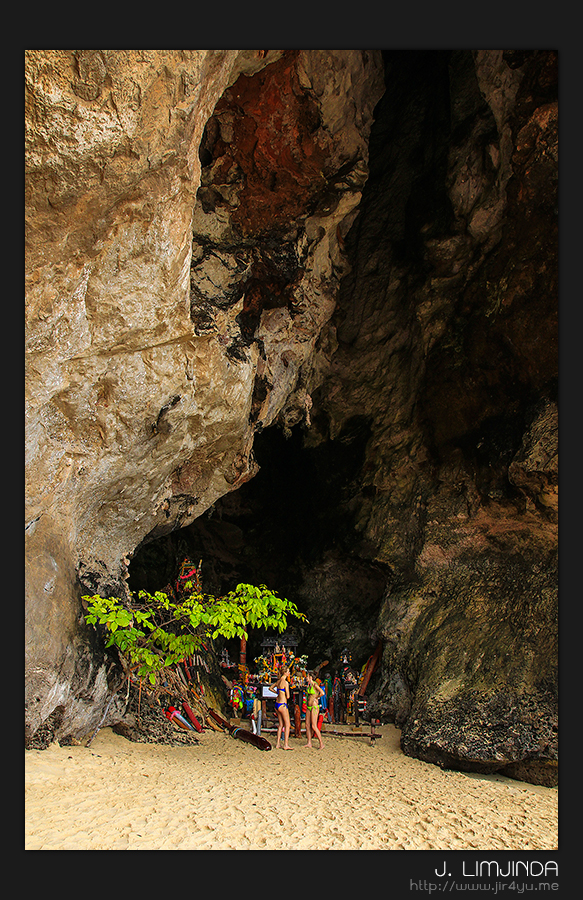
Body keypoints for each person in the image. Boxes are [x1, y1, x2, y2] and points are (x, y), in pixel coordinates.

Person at [270, 664, 293, 750]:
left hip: (277, 704)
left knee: (280, 725)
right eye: (288, 671)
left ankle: (278, 743)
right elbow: (288, 696)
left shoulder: (278, 681)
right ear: (285, 673)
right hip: (283, 704)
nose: (289, 673)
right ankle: (286, 744)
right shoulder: (285, 683)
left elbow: (270, 688)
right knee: (287, 725)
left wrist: (277, 693)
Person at [304, 671, 324, 749]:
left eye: (307, 676)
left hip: (314, 706)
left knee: (313, 725)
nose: (306, 678)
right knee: (307, 724)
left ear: (310, 677)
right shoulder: (309, 685)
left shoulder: (315, 684)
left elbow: (322, 692)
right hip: (308, 706)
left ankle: (321, 743)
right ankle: (309, 742)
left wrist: (316, 697)